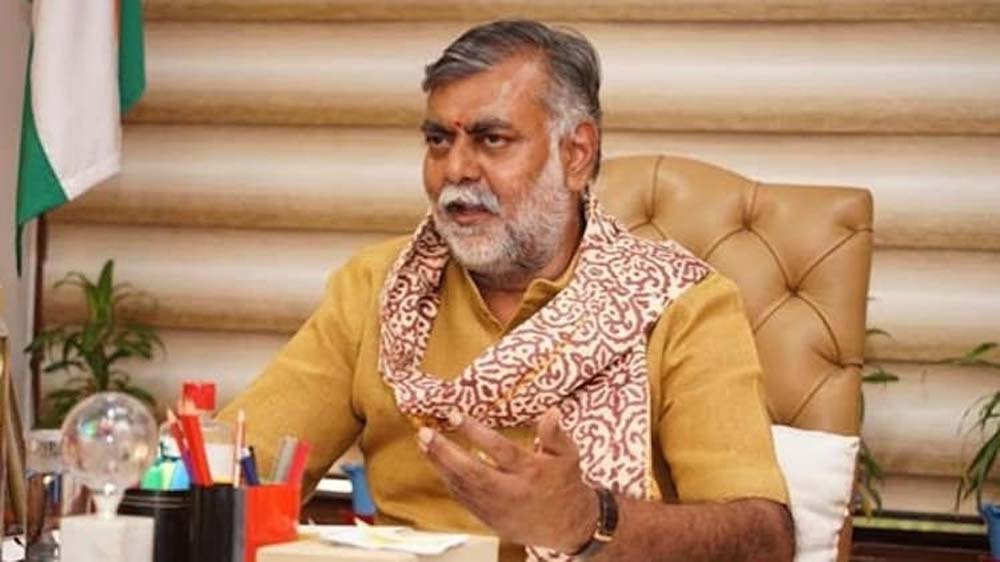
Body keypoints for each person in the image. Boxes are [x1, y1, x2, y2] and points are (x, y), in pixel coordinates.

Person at [219, 19, 794, 562]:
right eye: (438, 140)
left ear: (575, 154)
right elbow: (236, 467)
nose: (455, 170)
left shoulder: (678, 303)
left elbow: (765, 540)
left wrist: (586, 519)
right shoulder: (376, 287)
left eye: (492, 140)